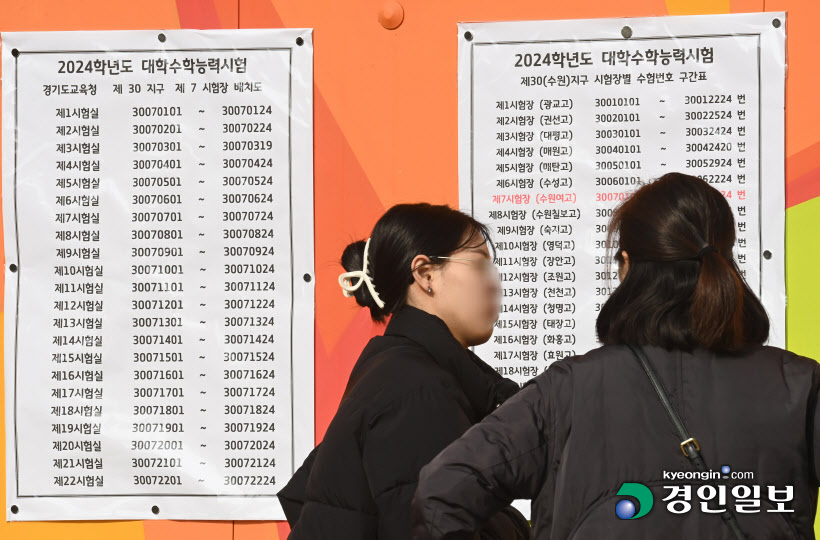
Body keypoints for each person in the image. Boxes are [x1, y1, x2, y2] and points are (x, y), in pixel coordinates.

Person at [411, 172, 819, 539]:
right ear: (723, 261)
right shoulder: (800, 386)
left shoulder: (567, 391)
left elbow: (442, 491)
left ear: (627, 266)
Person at [278, 203, 531, 539]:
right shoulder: (415, 389)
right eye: (481, 265)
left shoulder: (394, 369)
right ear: (425, 275)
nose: (494, 284)